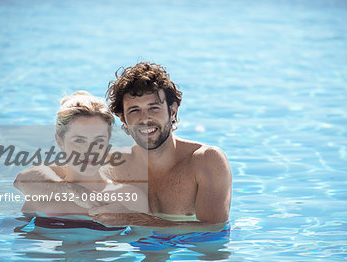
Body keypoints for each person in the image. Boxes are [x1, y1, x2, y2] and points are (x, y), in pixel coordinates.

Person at [15, 63, 232, 226]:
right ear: (123, 121)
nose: (144, 119)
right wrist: (78, 194)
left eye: (153, 108)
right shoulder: (115, 161)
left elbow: (214, 231)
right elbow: (27, 178)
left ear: (172, 111)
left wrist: (136, 220)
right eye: (134, 110)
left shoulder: (205, 160)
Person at [16, 91, 148, 217]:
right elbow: (13, 235)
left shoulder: (131, 198)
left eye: (99, 140)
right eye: (79, 140)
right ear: (60, 141)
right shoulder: (41, 198)